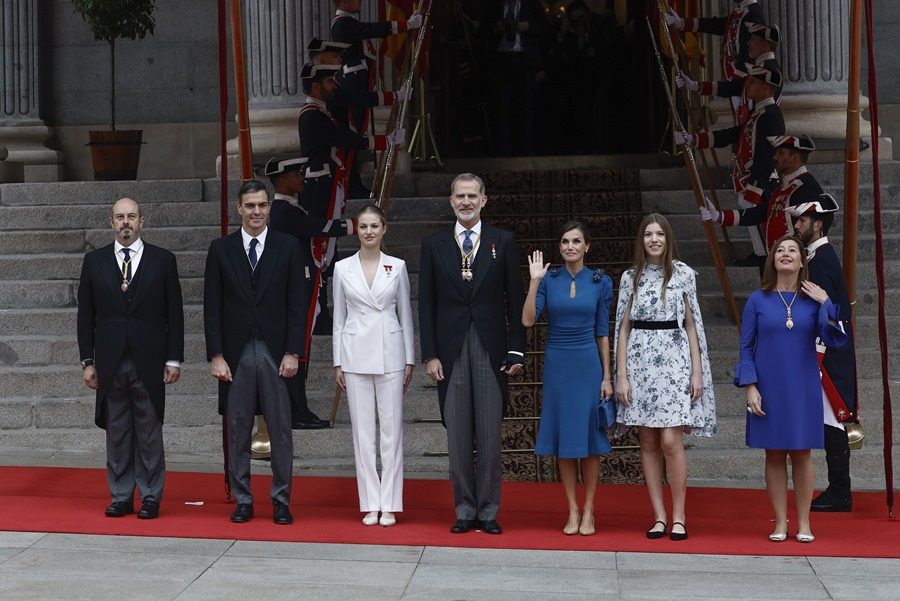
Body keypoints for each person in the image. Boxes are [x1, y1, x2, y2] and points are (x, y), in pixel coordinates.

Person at [419, 172, 526, 535]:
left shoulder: (503, 242)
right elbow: (427, 305)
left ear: (484, 200)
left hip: (491, 349)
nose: (466, 202)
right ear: (451, 201)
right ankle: (465, 509)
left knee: (490, 437)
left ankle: (489, 510)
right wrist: (429, 354)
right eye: (459, 196)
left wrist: (516, 349)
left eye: (472, 196)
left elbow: (516, 298)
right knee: (458, 437)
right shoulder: (433, 245)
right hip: (450, 352)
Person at [203, 180, 307, 525]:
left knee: (280, 430)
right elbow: (212, 308)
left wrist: (294, 351)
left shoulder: (289, 246)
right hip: (235, 354)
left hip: (277, 352)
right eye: (250, 206)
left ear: (270, 207)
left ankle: (281, 500)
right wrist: (215, 355)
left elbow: (298, 304)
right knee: (237, 428)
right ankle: (243, 499)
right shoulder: (221, 249)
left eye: (262, 205)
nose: (257, 212)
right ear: (239, 208)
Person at [77, 197, 184, 519]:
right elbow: (86, 316)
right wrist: (87, 361)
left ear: (142, 221)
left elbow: (174, 314)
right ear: (111, 222)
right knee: (118, 431)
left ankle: (151, 496)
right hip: (110, 361)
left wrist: (174, 359)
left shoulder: (162, 260)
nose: (126, 222)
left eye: (132, 217)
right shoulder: (94, 262)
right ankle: (121, 495)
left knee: (150, 432)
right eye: (120, 217)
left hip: (149, 360)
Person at [736, 234, 848, 543]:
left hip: (803, 385)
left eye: (792, 250)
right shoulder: (758, 299)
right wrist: (750, 385)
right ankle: (781, 523)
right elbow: (746, 348)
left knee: (802, 453)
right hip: (768, 386)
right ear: (772, 259)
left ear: (802, 260)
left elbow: (836, 339)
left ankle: (805, 523)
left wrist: (827, 302)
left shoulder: (813, 300)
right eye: (780, 250)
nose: (785, 254)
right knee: (773, 454)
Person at [614, 214, 716, 542]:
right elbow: (622, 327)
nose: (654, 239)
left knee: (671, 441)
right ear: (641, 240)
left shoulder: (684, 274)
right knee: (647, 441)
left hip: (675, 362)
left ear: (667, 238)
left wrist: (698, 372)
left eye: (659, 234)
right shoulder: (631, 277)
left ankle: (680, 516)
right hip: (640, 363)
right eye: (648, 234)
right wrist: (621, 375)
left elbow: (692, 324)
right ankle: (658, 516)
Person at [522, 221, 613, 536]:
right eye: (564, 242)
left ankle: (589, 509)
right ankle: (572, 509)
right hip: (558, 364)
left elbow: (603, 332)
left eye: (576, 241)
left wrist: (607, 377)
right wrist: (535, 282)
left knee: (588, 440)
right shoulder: (551, 279)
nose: (570, 246)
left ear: (587, 246)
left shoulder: (601, 281)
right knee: (564, 440)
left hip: (588, 364)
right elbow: (528, 320)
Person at [333, 204, 415, 527]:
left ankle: (390, 503)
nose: (368, 232)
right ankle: (369, 501)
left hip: (391, 351)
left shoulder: (398, 266)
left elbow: (406, 315)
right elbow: (339, 317)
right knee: (362, 433)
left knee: (391, 432)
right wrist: (338, 361)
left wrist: (410, 357)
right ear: (357, 229)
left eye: (374, 226)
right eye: (363, 226)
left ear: (384, 229)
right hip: (354, 354)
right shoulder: (342, 268)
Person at [266, 155, 352, 429]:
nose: (302, 178)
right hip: (295, 290)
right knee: (297, 350)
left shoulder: (293, 208)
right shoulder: (282, 211)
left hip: (303, 286)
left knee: (301, 350)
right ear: (282, 180)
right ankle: (295, 411)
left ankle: (299, 408)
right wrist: (357, 225)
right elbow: (317, 227)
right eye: (296, 174)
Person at [788, 196, 858, 512]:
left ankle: (841, 491)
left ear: (817, 224)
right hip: (825, 350)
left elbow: (834, 314)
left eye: (802, 221)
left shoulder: (822, 259)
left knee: (834, 419)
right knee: (830, 420)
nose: (796, 225)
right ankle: (839, 489)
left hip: (826, 353)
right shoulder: (818, 257)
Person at [676, 62, 784, 267]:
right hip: (750, 183)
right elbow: (734, 135)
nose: (748, 86)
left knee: (767, 244)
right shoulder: (758, 113)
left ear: (765, 88)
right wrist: (694, 139)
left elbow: (767, 157)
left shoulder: (770, 116)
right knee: (761, 244)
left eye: (753, 82)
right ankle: (761, 259)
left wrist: (755, 189)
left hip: (761, 185)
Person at [699, 135, 824, 268]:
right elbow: (762, 212)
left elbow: (817, 228)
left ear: (795, 159)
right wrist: (720, 216)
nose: (775, 157)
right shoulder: (784, 186)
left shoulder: (807, 187)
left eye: (781, 153)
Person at [488, 0, 547, 156]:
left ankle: (528, 149)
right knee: (503, 105)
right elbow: (483, 32)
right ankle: (504, 150)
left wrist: (529, 27)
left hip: (525, 60)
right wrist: (496, 28)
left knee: (528, 106)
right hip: (503, 60)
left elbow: (546, 29)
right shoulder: (495, 6)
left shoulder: (532, 5)